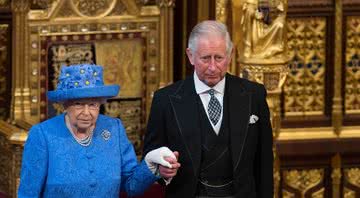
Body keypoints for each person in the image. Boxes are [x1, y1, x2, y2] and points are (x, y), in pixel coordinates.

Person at [143, 20, 273, 197]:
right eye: (205, 58)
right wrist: (161, 171)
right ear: (190, 56)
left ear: (230, 54)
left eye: (219, 58)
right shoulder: (165, 100)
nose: (212, 67)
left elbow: (264, 162)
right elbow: (151, 158)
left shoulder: (254, 95)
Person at [18, 64, 180, 197]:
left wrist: (149, 163)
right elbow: (28, 193)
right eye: (79, 104)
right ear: (65, 105)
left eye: (93, 105)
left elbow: (131, 187)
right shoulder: (43, 135)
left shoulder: (113, 129)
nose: (87, 112)